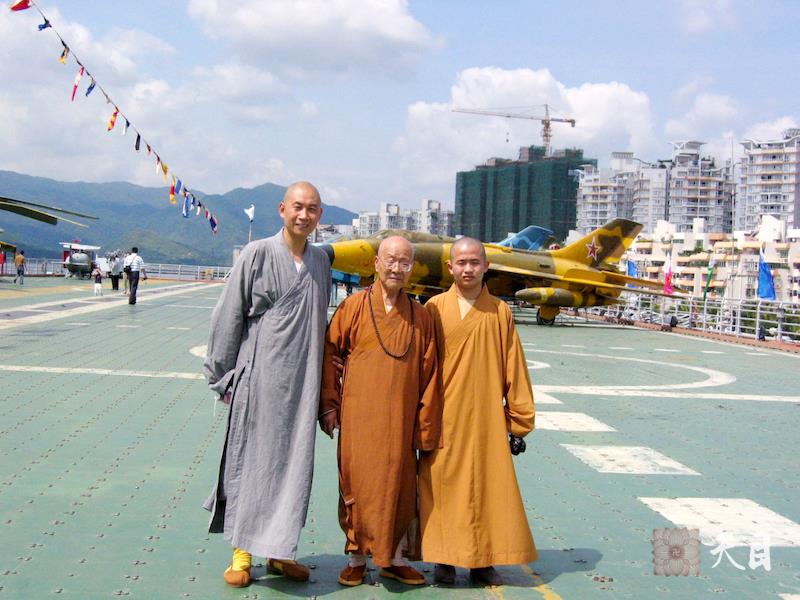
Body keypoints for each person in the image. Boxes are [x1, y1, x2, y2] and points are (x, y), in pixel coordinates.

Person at [203, 182, 330, 588]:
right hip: (259, 376)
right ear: (282, 209)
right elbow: (228, 316)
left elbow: (320, 322)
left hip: (302, 382)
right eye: (297, 207)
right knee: (253, 460)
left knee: (294, 464)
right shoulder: (257, 253)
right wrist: (222, 376)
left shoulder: (321, 262)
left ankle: (279, 552)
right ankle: (241, 553)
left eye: (312, 209)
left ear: (319, 215)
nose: (303, 215)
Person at [320, 235, 442, 588]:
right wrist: (329, 405)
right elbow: (331, 357)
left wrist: (425, 424)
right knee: (356, 483)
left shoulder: (421, 316)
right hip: (358, 416)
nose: (396, 268)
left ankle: (394, 557)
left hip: (402, 419)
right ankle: (357, 555)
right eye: (390, 260)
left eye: (404, 262)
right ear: (376, 263)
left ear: (411, 269)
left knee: (399, 486)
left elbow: (430, 372)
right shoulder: (353, 308)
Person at [419, 237, 537, 586]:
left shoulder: (499, 311)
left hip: (487, 417)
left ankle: (484, 560)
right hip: (445, 416)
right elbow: (422, 370)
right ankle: (444, 559)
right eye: (461, 262)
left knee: (487, 488)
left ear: (486, 266)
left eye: (474, 262)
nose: (467, 268)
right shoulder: (434, 309)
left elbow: (514, 369)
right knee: (441, 488)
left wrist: (519, 421)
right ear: (450, 267)